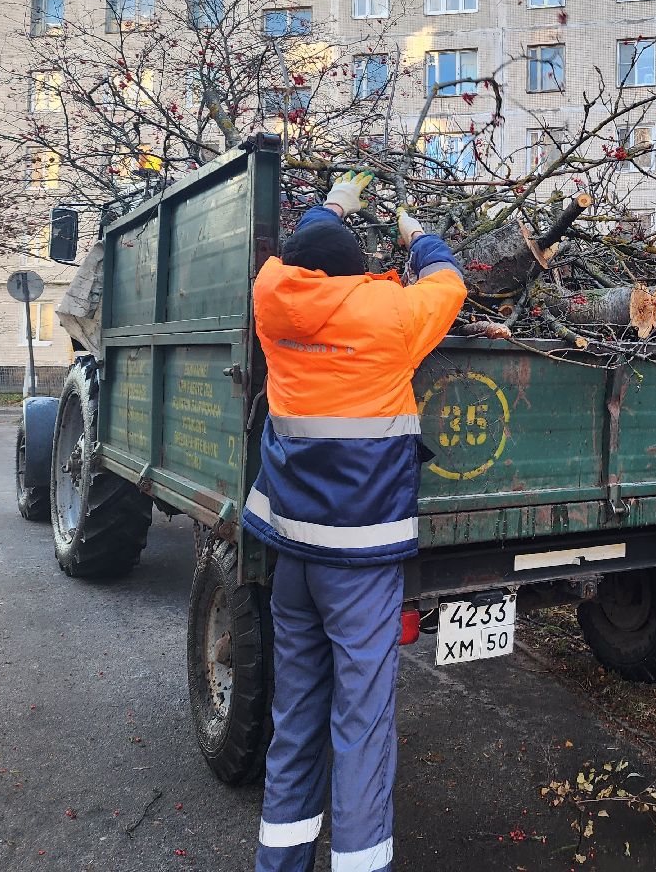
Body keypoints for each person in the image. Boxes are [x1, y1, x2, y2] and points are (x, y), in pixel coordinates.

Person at [242, 171, 467, 872]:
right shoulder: (390, 318)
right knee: (362, 723)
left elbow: (291, 256)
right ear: (358, 271)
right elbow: (449, 282)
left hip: (295, 555)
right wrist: (412, 229)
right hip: (361, 562)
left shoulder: (271, 305)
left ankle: (280, 860)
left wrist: (335, 202)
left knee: (297, 713)